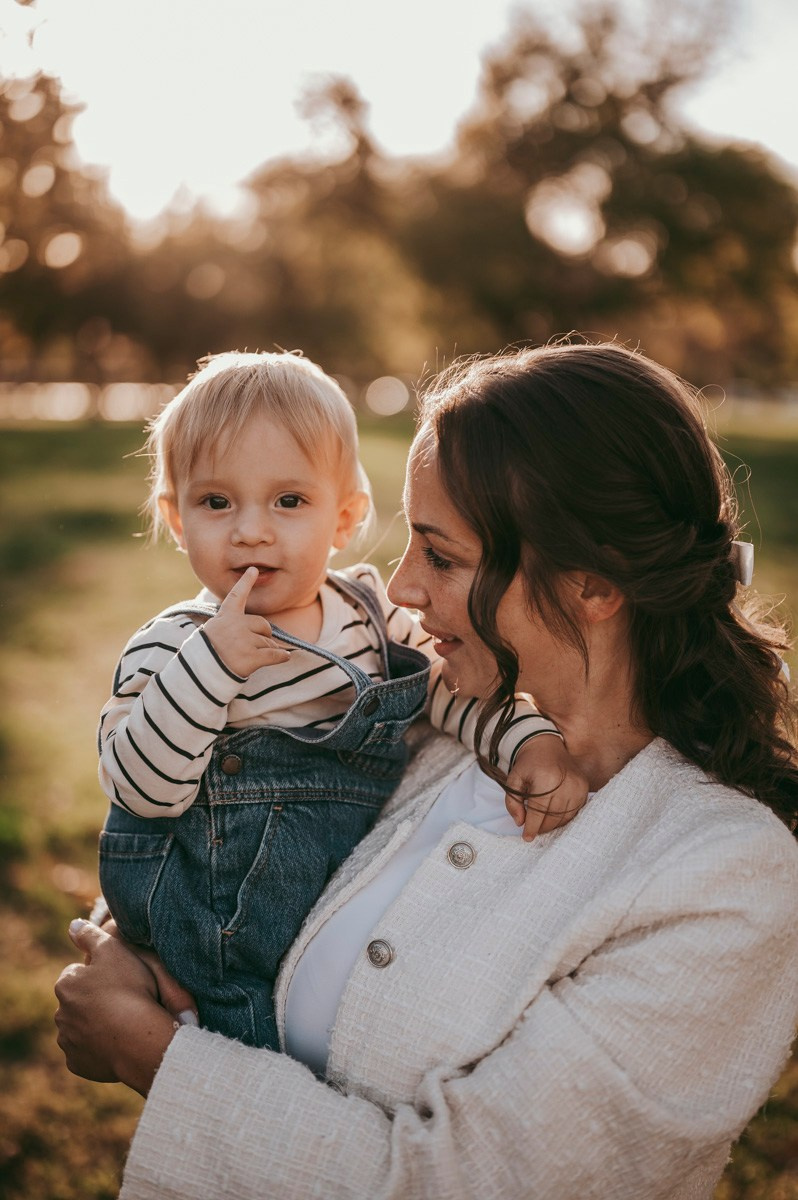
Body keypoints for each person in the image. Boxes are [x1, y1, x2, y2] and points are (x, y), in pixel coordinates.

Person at [56, 340, 798, 1200]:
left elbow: (464, 1184)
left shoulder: (727, 879)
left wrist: (149, 1051)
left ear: (594, 585)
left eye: (442, 557)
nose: (397, 588)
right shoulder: (425, 725)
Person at [95, 349, 585, 1050]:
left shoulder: (367, 615)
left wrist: (527, 741)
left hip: (329, 895)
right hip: (210, 914)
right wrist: (210, 668)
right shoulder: (173, 644)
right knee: (250, 1047)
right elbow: (142, 790)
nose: (251, 529)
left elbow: (446, 693)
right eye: (215, 502)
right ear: (176, 519)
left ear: (346, 518)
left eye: (289, 501)